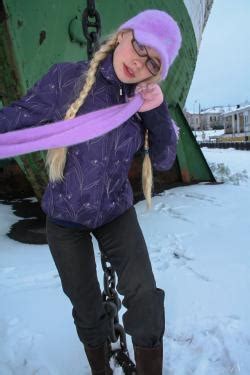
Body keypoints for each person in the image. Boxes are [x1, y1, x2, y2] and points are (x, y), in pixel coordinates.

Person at [0, 9, 182, 375]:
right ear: (124, 35)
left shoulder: (140, 101)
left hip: (115, 214)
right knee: (86, 307)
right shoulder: (66, 79)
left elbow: (163, 159)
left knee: (144, 296)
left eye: (153, 62)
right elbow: (17, 119)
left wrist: (158, 111)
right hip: (65, 220)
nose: (139, 62)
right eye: (140, 46)